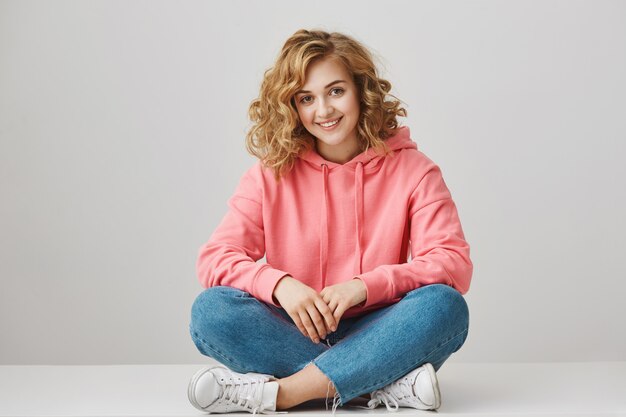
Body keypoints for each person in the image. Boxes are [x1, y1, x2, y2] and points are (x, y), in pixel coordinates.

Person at [188, 28, 472, 416]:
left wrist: (363, 287)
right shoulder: (270, 175)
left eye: (336, 91)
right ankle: (381, 384)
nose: (323, 111)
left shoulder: (414, 170)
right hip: (292, 330)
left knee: (445, 307)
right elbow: (216, 258)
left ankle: (282, 395)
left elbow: (452, 262)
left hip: (383, 331)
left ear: (360, 90)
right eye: (307, 98)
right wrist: (280, 286)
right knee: (211, 311)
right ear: (293, 106)